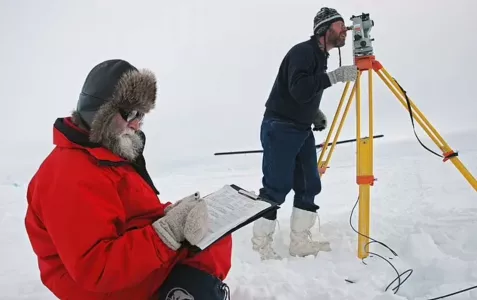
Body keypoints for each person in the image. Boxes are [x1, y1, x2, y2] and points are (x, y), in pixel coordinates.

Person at [24, 59, 232, 300]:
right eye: (130, 113)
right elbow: (96, 269)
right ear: (100, 112)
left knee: (213, 236)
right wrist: (167, 232)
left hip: (128, 261)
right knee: (203, 248)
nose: (136, 124)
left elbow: (135, 212)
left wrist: (173, 215)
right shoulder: (69, 175)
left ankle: (182, 291)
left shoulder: (107, 152)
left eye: (141, 115)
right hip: (100, 287)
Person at [251, 7, 358, 260]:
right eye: (340, 25)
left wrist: (313, 112)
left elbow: (301, 93)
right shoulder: (303, 52)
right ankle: (260, 245)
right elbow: (299, 89)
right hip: (280, 127)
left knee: (310, 182)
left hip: (300, 128)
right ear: (325, 29)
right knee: (276, 187)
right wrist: (334, 77)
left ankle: (299, 241)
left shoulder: (319, 56)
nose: (345, 30)